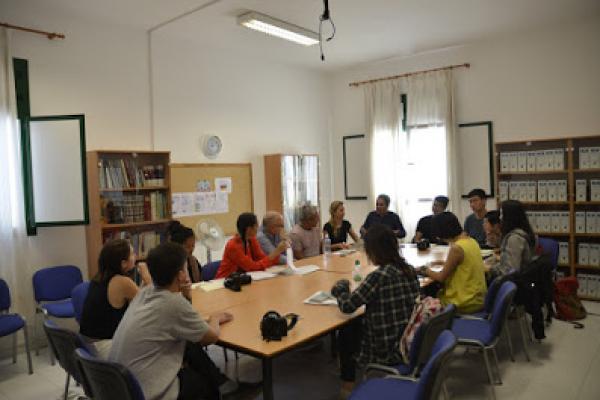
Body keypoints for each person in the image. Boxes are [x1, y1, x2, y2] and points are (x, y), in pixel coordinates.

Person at [109, 242, 234, 400]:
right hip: (144, 391)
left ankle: (222, 384)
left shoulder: (146, 292)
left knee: (191, 356)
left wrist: (186, 296)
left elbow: (182, 322)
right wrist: (215, 319)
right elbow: (211, 337)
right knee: (202, 385)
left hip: (120, 385)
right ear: (181, 274)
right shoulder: (172, 303)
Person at [330, 224, 420, 396]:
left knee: (347, 328)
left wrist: (340, 290)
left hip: (385, 347)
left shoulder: (378, 276)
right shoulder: (408, 269)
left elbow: (347, 306)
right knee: (356, 321)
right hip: (406, 336)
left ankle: (347, 385)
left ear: (375, 251)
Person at [79, 239, 152, 358]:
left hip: (87, 344)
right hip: (104, 346)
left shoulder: (98, 278)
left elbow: (138, 296)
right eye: (132, 253)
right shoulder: (122, 282)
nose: (135, 256)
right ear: (123, 263)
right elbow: (151, 300)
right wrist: (146, 275)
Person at [422, 211, 487, 314]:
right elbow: (464, 263)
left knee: (425, 297)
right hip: (477, 298)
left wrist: (424, 270)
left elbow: (441, 277)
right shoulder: (471, 241)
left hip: (463, 302)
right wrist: (443, 262)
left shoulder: (456, 248)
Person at [216, 212, 287, 279]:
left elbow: (261, 258)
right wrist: (277, 251)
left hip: (242, 277)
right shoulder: (233, 246)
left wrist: (274, 256)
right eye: (256, 226)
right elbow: (251, 267)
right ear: (249, 229)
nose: (258, 228)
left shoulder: (251, 239)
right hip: (224, 280)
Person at [489, 200, 537, 278]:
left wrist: (491, 269)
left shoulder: (515, 239)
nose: (500, 217)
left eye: (502, 214)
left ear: (510, 216)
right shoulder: (524, 232)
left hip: (515, 282)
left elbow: (511, 271)